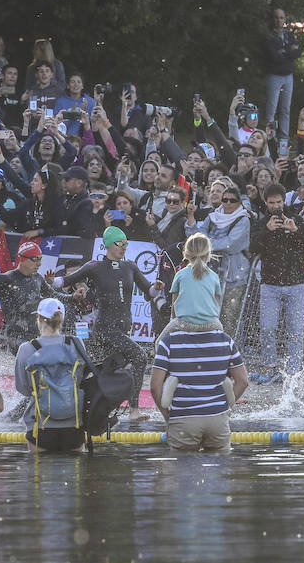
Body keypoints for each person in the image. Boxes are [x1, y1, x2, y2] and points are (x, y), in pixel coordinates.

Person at [53, 227, 156, 421]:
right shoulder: (95, 266)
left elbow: (149, 292)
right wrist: (51, 281)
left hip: (122, 330)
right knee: (140, 357)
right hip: (105, 330)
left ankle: (76, 403)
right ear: (109, 245)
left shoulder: (131, 267)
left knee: (100, 371)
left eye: (126, 244)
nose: (124, 247)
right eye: (120, 243)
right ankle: (134, 411)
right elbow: (67, 280)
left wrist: (156, 288)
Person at [151, 294, 248, 453]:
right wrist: (224, 409)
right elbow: (243, 381)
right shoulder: (225, 340)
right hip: (217, 421)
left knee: (179, 472)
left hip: (183, 421)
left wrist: (169, 417)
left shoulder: (168, 342)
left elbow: (155, 387)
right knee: (219, 471)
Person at [13, 298, 94, 453]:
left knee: (39, 474)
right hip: (74, 425)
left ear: (40, 319)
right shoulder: (76, 343)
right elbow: (82, 378)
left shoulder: (27, 349)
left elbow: (23, 388)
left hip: (40, 426)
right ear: (61, 319)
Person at [251, 187, 304, 384]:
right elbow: (252, 248)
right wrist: (267, 231)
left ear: (284, 200)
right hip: (270, 285)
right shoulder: (262, 223)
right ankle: (270, 367)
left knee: (296, 330)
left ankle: (294, 371)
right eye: (271, 203)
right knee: (267, 328)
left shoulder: (296, 219)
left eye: (278, 202)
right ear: (266, 202)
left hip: (296, 284)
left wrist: (295, 230)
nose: (275, 206)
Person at [0, 241, 72, 353]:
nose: (39, 264)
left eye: (41, 259)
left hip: (36, 334)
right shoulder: (6, 279)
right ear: (22, 259)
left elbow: (54, 296)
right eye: (35, 259)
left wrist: (73, 297)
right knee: (36, 359)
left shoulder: (38, 278)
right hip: (16, 337)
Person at [193, 184, 251, 334]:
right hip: (210, 274)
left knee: (229, 316)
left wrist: (207, 243)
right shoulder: (212, 216)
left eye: (232, 200)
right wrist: (206, 242)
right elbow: (199, 236)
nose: (228, 203)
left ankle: (228, 350)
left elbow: (229, 244)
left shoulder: (243, 219)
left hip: (234, 276)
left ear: (239, 202)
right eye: (225, 200)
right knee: (207, 313)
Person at [261, 7, 304, 139]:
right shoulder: (268, 36)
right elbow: (273, 56)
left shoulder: (289, 35)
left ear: (285, 20)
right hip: (274, 76)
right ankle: (270, 139)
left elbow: (297, 52)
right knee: (271, 110)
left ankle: (284, 139)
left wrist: (283, 51)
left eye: (281, 17)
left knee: (285, 109)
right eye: (276, 17)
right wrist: (289, 51)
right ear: (272, 19)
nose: (279, 20)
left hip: (288, 76)